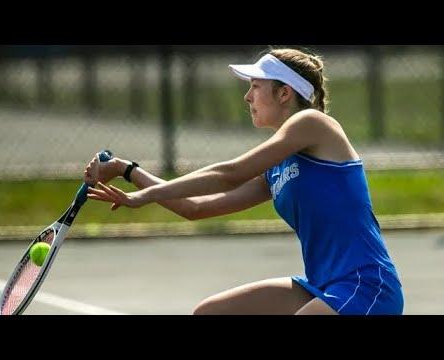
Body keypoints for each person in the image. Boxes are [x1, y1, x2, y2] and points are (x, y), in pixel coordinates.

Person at [83, 47, 404, 315]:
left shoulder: (314, 123)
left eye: (255, 86)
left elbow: (229, 173)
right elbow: (195, 208)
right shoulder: (277, 169)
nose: (247, 96)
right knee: (209, 313)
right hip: (321, 286)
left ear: (284, 93)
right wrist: (128, 171)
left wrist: (147, 197)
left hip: (366, 286)